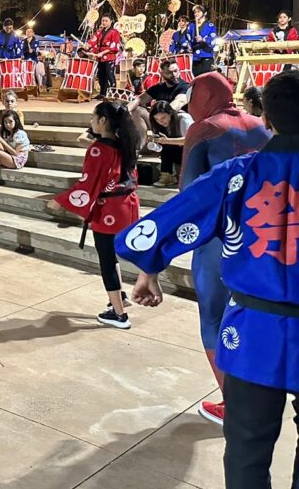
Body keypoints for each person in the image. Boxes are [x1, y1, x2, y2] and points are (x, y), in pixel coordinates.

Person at [116, 70, 299, 489]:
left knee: (248, 447)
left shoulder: (237, 174)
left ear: (268, 118)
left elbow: (179, 211)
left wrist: (151, 268)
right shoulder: (244, 148)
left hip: (255, 328)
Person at [175, 71, 270, 426]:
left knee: (214, 318)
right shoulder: (259, 125)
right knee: (252, 315)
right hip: (260, 232)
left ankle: (235, 406)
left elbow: (187, 191)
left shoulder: (203, 129)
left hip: (220, 235)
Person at [48, 101, 139, 329]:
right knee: (112, 255)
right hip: (127, 205)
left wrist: (61, 200)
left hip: (109, 209)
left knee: (106, 261)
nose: (90, 121)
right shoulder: (124, 144)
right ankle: (119, 298)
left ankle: (119, 315)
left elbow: (87, 183)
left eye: (93, 117)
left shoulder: (99, 149)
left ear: (103, 121)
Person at [129, 58, 190, 145]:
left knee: (181, 115)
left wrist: (160, 115)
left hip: (175, 123)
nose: (174, 75)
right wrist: (125, 110)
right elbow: (138, 99)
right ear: (162, 74)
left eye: (176, 71)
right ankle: (140, 146)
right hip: (159, 122)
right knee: (137, 110)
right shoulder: (159, 87)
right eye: (169, 73)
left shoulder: (185, 87)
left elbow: (178, 102)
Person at [148, 101, 193, 187]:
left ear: (170, 113)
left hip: (191, 152)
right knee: (166, 148)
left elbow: (190, 140)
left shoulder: (183, 119)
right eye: (157, 119)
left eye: (163, 117)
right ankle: (167, 175)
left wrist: (167, 141)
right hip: (176, 152)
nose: (160, 121)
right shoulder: (160, 126)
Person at [0, 111, 31, 186]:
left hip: (17, 160)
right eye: (5, 122)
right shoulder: (7, 132)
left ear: (16, 121)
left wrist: (1, 139)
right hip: (9, 155)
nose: (8, 124)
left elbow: (15, 153)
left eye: (10, 122)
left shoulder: (20, 134)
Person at [86, 15, 122, 99]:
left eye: (106, 21)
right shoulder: (99, 32)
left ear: (111, 21)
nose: (104, 22)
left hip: (109, 56)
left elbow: (114, 46)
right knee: (101, 75)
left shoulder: (115, 32)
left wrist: (103, 53)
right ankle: (102, 93)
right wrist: (87, 45)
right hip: (100, 57)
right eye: (103, 21)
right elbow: (93, 40)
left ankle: (113, 94)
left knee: (110, 75)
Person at [188, 4, 218, 76]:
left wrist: (203, 39)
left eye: (198, 12)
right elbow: (188, 37)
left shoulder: (210, 26)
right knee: (194, 77)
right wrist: (189, 45)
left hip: (206, 54)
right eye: (195, 12)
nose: (196, 14)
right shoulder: (192, 26)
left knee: (204, 77)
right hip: (194, 56)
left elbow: (213, 39)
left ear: (205, 13)